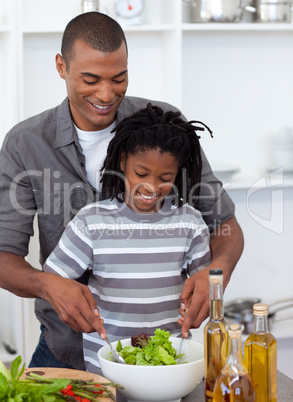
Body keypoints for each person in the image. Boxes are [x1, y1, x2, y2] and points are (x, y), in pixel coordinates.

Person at [0, 12, 243, 371]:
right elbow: (4, 256)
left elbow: (226, 225)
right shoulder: (26, 144)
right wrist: (47, 285)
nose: (106, 93)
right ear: (61, 66)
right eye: (91, 79)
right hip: (65, 347)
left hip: (162, 353)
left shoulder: (163, 128)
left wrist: (215, 274)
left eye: (119, 78)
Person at [43, 103, 213, 371]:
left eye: (165, 178)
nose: (151, 187)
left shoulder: (190, 222)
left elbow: (204, 286)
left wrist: (201, 301)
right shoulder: (91, 220)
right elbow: (53, 280)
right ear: (122, 161)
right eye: (141, 173)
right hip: (107, 361)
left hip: (169, 361)